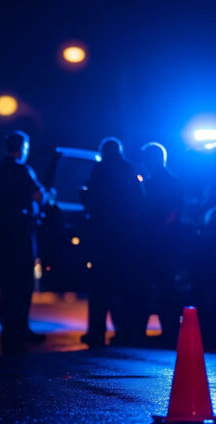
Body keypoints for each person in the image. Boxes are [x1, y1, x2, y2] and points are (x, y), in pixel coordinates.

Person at [0, 130, 49, 352]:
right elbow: (38, 196)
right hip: (21, 233)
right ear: (22, 148)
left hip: (1, 233)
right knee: (23, 282)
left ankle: (7, 329)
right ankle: (21, 328)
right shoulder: (23, 170)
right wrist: (47, 196)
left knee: (6, 282)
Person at [79, 137, 143, 347]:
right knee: (123, 288)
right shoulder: (128, 170)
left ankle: (96, 332)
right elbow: (139, 201)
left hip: (102, 239)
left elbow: (90, 200)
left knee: (99, 289)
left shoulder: (100, 170)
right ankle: (124, 331)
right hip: (126, 239)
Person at [138, 142, 185, 342]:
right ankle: (170, 330)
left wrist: (159, 231)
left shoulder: (149, 184)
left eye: (146, 159)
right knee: (165, 285)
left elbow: (174, 210)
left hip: (158, 242)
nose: (144, 163)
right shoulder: (173, 181)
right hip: (166, 241)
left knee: (153, 285)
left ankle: (144, 331)